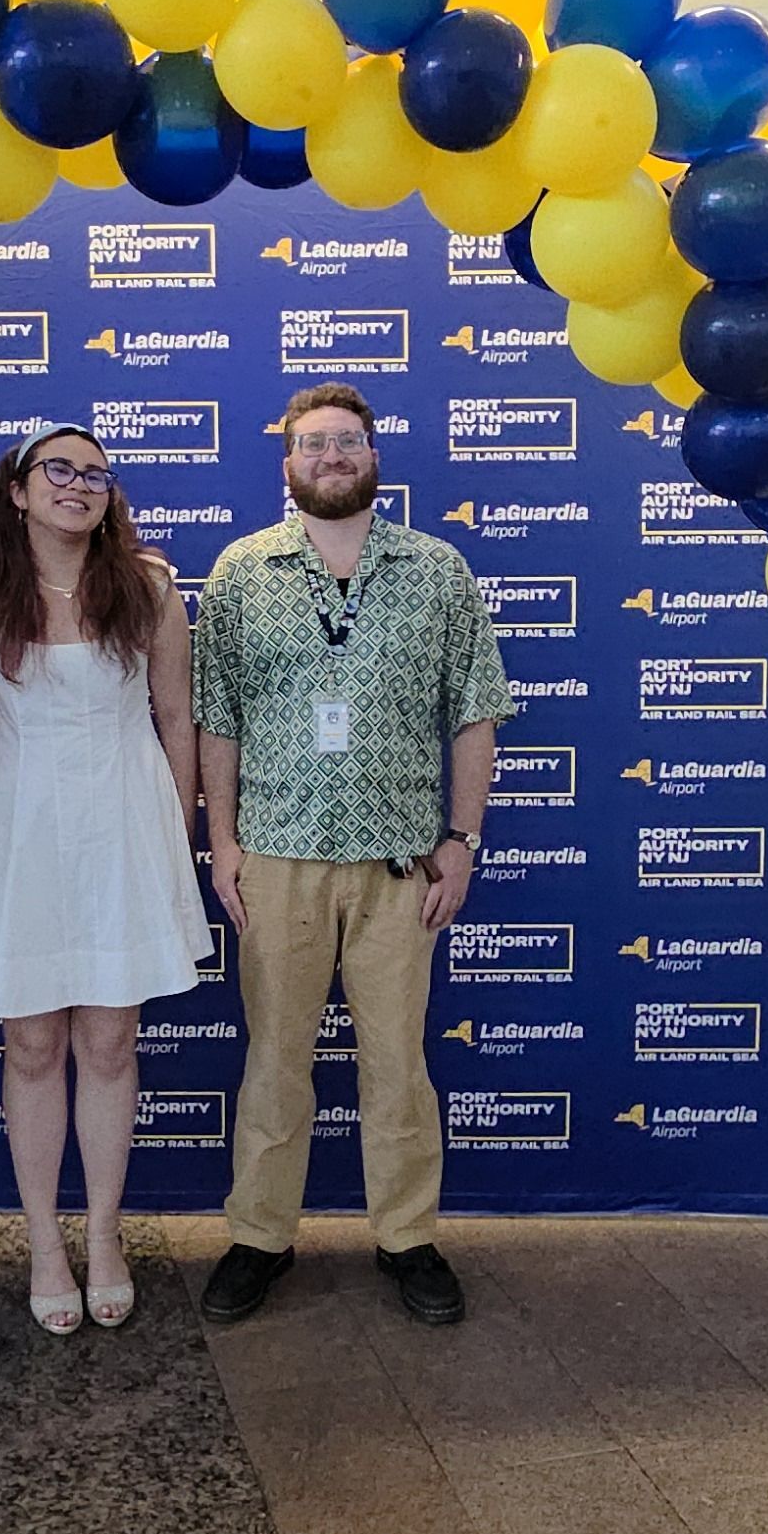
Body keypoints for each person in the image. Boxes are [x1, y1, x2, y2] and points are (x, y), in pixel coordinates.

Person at [192, 383, 513, 1327]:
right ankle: (259, 1236)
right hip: (277, 856)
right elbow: (218, 720)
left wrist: (462, 840)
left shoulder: (439, 569)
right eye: (313, 444)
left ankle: (407, 1237)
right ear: (286, 465)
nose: (332, 456)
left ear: (373, 457)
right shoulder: (244, 571)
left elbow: (474, 712)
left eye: (348, 442)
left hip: (401, 864)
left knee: (397, 1062)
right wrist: (221, 843)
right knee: (276, 1061)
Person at [0, 425, 203, 1334]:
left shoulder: (152, 589)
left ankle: (108, 1235)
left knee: (112, 1045)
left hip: (123, 824)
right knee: (33, 1046)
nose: (79, 485)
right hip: (16, 830)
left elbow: (175, 722)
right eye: (59, 470)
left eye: (95, 473)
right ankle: (46, 1241)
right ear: (17, 491)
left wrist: (182, 836)